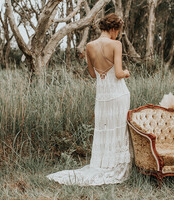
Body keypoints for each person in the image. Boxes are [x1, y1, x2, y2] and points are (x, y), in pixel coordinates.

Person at [46, 13, 133, 186]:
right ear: (114, 29)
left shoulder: (89, 46)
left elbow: (93, 74)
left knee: (104, 129)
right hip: (118, 94)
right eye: (118, 31)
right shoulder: (116, 44)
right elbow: (118, 73)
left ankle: (102, 164)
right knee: (118, 129)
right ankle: (115, 165)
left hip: (102, 96)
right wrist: (127, 72)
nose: (118, 34)